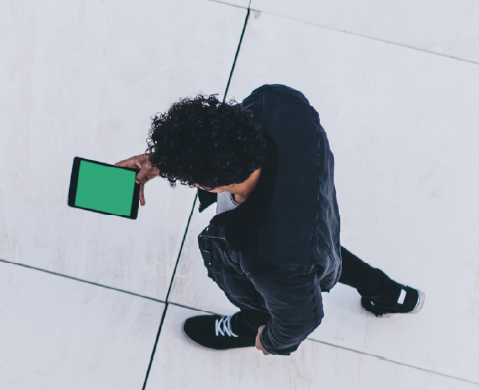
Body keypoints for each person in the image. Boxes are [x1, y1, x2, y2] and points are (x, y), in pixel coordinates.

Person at [116, 86, 420, 355]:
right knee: (323, 256)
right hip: (313, 214)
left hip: (288, 255)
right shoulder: (275, 101)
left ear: (210, 185)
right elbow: (221, 134)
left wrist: (272, 341)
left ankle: (246, 327)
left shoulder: (270, 259)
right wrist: (162, 159)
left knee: (266, 300)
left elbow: (301, 318)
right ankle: (387, 292)